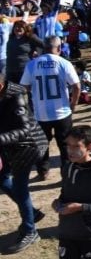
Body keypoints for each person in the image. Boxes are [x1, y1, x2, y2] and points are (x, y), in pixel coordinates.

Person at [20, 35, 81, 180]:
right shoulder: (64, 63)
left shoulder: (32, 64)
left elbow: (24, 87)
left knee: (41, 144)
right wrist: (73, 104)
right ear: (59, 48)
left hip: (40, 113)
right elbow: (76, 86)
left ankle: (43, 171)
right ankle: (66, 174)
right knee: (65, 145)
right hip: (62, 112)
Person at [0, 78, 48, 254]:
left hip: (28, 147)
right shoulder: (2, 94)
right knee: (2, 179)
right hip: (10, 147)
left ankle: (30, 231)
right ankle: (32, 213)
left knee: (21, 189)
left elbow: (24, 130)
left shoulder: (16, 97)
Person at [53, 125, 91, 259]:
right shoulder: (67, 167)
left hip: (90, 234)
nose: (70, 150)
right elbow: (65, 193)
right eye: (68, 145)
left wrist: (80, 207)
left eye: (76, 146)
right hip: (67, 232)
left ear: (90, 147)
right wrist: (58, 202)